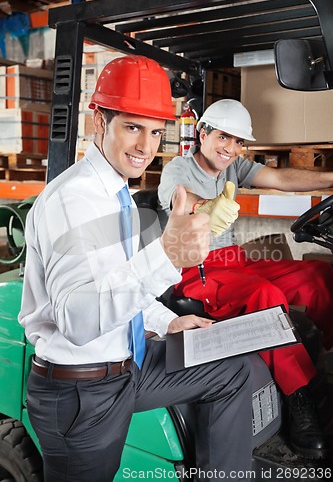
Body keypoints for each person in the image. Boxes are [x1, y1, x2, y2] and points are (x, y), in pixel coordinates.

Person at [18, 57, 254, 482]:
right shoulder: (75, 200)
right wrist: (166, 254)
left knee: (233, 368)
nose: (146, 146)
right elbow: (77, 319)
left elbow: (120, 287)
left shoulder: (117, 196)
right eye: (132, 127)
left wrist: (171, 320)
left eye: (157, 131)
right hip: (82, 391)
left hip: (128, 368)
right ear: (99, 121)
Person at [158, 98, 333, 460]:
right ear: (203, 132)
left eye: (239, 141)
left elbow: (280, 178)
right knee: (265, 295)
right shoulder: (178, 169)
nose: (231, 148)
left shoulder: (232, 166)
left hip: (234, 263)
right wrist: (204, 207)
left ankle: (320, 374)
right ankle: (300, 397)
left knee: (318, 275)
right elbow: (178, 197)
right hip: (196, 270)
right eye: (224, 137)